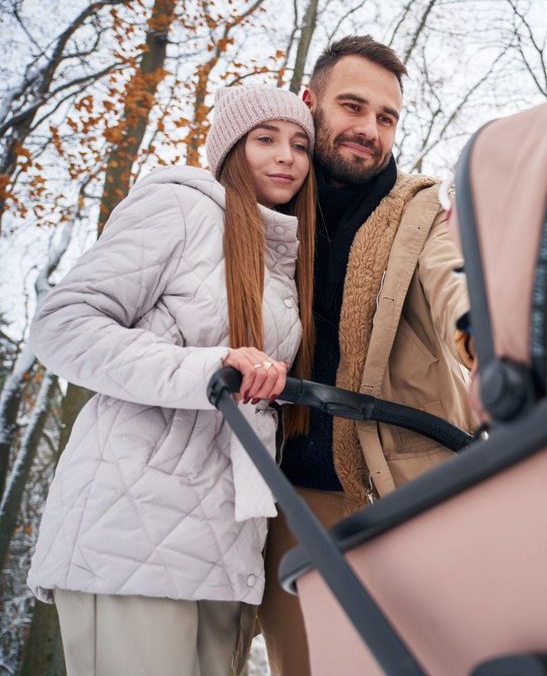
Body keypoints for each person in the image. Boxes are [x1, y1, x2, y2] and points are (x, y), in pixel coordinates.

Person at [26, 85, 316, 676]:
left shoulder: (281, 259)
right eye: (265, 139)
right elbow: (64, 324)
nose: (286, 155)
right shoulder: (180, 208)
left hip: (226, 547)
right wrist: (208, 371)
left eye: (300, 144)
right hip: (132, 530)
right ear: (232, 149)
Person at [258, 35, 475, 675]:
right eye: (352, 107)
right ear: (310, 103)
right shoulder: (256, 212)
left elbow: (454, 278)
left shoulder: (422, 209)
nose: (369, 130)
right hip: (284, 499)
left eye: (386, 118)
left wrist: (484, 342)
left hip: (404, 488)